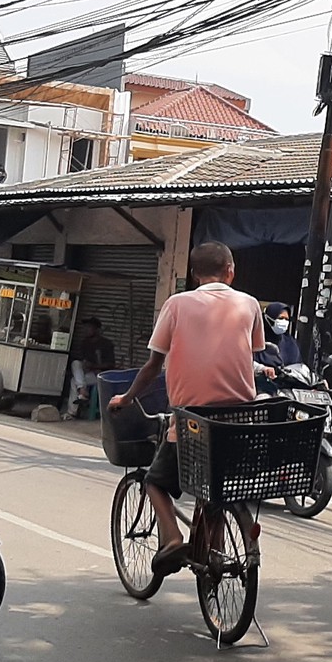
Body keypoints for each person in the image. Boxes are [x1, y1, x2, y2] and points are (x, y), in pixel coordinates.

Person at [108, 243, 263, 576]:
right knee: (217, 490)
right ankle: (212, 552)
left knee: (154, 481)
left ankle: (174, 537)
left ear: (193, 275)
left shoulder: (177, 304)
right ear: (231, 271)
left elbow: (154, 365)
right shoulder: (249, 304)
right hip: (239, 422)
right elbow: (248, 354)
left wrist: (126, 397)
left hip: (193, 419)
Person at [63, 317, 116, 419]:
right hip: (88, 374)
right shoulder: (85, 343)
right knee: (75, 364)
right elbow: (83, 360)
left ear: (97, 330)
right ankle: (82, 391)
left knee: (74, 381)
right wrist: (86, 365)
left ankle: (72, 412)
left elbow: (110, 364)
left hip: (101, 376)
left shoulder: (106, 344)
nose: (86, 330)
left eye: (89, 327)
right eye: (85, 327)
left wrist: (94, 366)